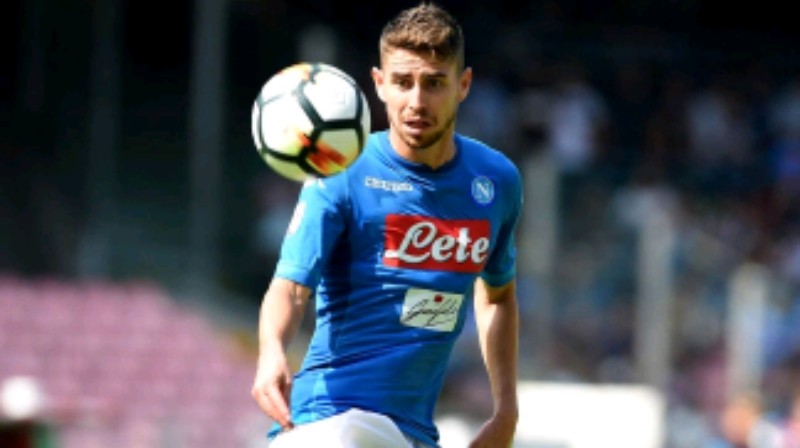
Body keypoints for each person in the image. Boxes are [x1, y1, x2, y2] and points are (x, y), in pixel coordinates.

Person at [251, 3, 523, 447]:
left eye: (434, 83)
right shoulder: (341, 171)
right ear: (379, 84)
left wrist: (506, 409)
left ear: (464, 85)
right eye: (402, 82)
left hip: (412, 433)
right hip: (329, 419)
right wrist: (271, 351)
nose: (416, 102)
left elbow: (497, 297)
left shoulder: (496, 181)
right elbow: (292, 287)